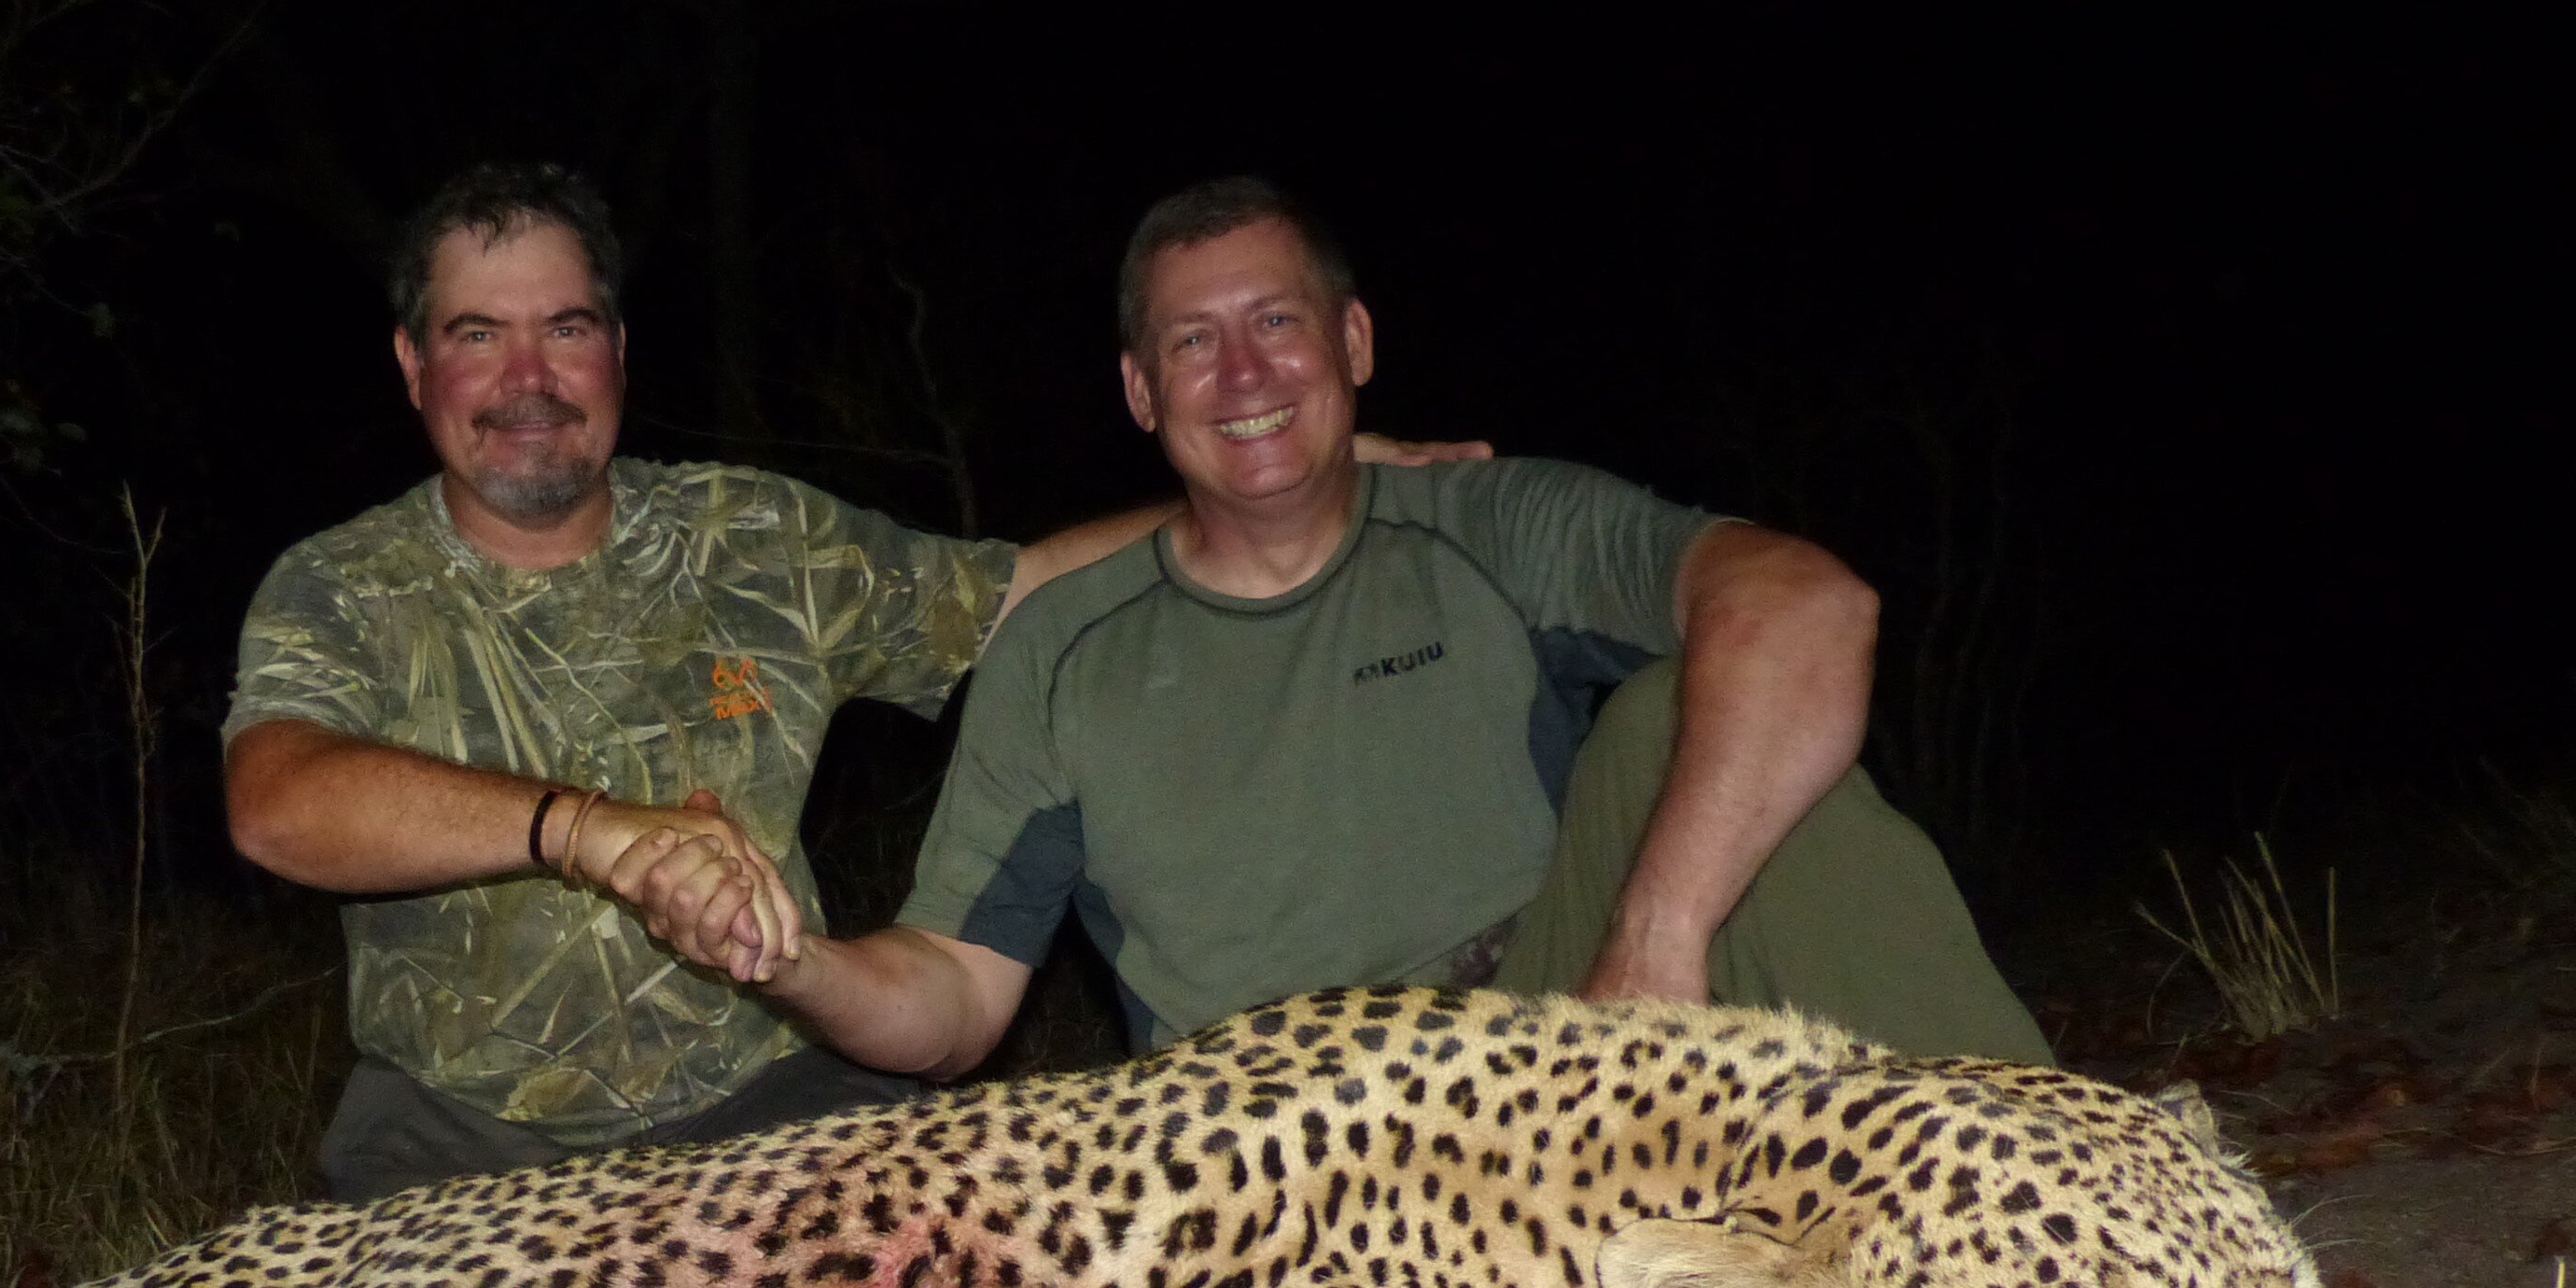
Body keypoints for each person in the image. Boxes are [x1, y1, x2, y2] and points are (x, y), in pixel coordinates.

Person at [223, 161, 1475, 1202]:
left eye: (566, 328)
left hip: (773, 1097)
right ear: (412, 365)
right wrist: (588, 834)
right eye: (477, 336)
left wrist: (1288, 474)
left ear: (616, 351)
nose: (528, 380)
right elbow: (278, 800)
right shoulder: (343, 585)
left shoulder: (754, 538)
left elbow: (1017, 593)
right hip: (455, 1134)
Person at [622, 175, 2051, 1075]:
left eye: (1278, 324)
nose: (1243, 372)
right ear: (1140, 392)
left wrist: (1655, 950)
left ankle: (2051, 1204)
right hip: (1274, 1142)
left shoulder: (1490, 528)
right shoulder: (1063, 650)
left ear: (1352, 346)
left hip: (1547, 1043)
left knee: (1696, 714)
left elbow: (1812, 608)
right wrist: (794, 957)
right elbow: (952, 995)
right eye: (1194, 340)